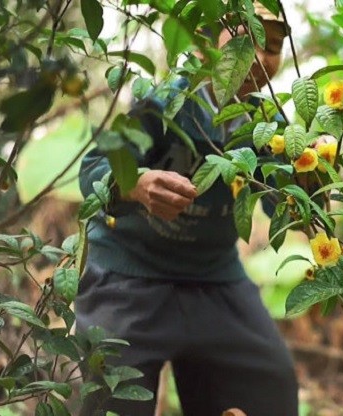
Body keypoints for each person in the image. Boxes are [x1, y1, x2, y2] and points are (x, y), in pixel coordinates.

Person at [75, 5, 298, 416]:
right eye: (248, 39)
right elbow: (93, 170)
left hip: (214, 280)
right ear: (204, 43)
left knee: (268, 386)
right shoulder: (164, 103)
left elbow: (281, 203)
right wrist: (135, 185)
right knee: (110, 399)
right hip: (128, 278)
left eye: (273, 46)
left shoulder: (268, 126)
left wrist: (311, 178)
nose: (263, 58)